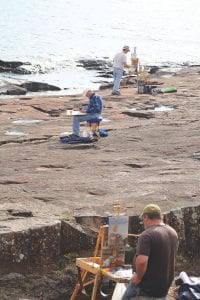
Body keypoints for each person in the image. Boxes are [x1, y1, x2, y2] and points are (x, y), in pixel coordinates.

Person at [122, 204, 178, 300]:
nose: (143, 222)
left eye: (143, 219)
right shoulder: (173, 232)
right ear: (161, 216)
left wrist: (138, 277)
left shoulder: (147, 235)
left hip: (145, 289)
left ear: (146, 217)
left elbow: (142, 261)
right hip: (162, 289)